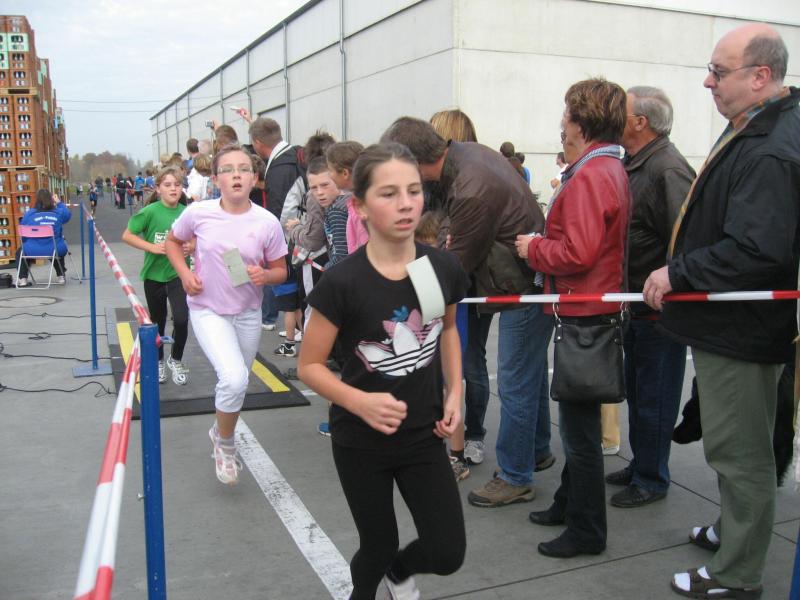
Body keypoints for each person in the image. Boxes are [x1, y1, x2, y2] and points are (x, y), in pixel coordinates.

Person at [642, 24, 799, 599]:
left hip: (743, 329)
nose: (708, 82)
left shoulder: (771, 147)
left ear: (761, 77)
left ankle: (737, 575)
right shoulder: (759, 126)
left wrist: (677, 272)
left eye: (719, 71)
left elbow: (757, 249)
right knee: (737, 445)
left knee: (741, 455)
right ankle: (732, 534)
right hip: (734, 326)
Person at [298, 142, 467, 600]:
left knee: (447, 552)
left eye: (413, 190)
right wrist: (359, 401)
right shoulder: (342, 282)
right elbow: (309, 365)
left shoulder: (440, 267)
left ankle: (400, 572)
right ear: (360, 207)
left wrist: (455, 392)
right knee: (377, 545)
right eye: (389, 194)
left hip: (423, 434)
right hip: (361, 441)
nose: (406, 203)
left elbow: (448, 329)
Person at [382, 117, 553, 509]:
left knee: (514, 381)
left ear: (415, 161)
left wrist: (402, 299)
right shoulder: (464, 157)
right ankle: (536, 449)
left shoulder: (471, 185)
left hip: (518, 285)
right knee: (525, 376)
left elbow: (454, 267)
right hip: (513, 279)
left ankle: (515, 476)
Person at [517, 77, 630, 558]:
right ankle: (568, 504)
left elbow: (577, 253)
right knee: (579, 424)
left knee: (580, 433)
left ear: (580, 123)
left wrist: (533, 248)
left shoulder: (590, 174)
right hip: (591, 310)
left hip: (585, 313)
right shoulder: (607, 167)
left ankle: (587, 530)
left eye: (566, 115)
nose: (562, 125)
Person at [166, 144, 288, 485]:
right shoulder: (198, 213)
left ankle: (218, 431)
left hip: (248, 312)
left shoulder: (267, 222)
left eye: (244, 169)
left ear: (254, 178)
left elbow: (281, 270)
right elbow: (173, 243)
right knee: (233, 378)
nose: (236, 175)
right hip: (208, 309)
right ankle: (226, 444)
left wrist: (266, 275)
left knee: (239, 383)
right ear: (216, 178)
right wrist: (184, 274)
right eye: (228, 170)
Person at [603, 85, 696, 509]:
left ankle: (652, 478)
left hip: (658, 312)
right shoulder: (639, 163)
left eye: (620, 112)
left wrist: (669, 279)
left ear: (640, 122)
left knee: (654, 399)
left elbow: (688, 239)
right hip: (637, 306)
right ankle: (642, 465)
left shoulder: (666, 169)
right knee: (641, 395)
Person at [122, 166, 192, 385]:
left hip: (178, 274)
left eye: (177, 185)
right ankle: (159, 361)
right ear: (158, 188)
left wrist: (191, 246)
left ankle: (175, 359)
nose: (173, 189)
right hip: (154, 275)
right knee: (157, 321)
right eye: (167, 185)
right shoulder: (150, 211)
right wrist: (152, 247)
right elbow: (128, 235)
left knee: (181, 319)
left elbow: (198, 236)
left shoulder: (187, 213)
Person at [248, 116, 306, 332]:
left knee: (294, 298)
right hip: (305, 238)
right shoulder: (295, 156)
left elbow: (280, 213)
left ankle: (299, 334)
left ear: (257, 142)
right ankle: (298, 332)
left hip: (295, 243)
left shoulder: (280, 167)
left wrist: (273, 245)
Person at [15, 188, 72, 287]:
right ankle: (61, 276)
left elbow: (23, 229)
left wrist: (26, 244)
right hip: (54, 248)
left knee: (20, 252)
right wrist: (59, 202)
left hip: (32, 249)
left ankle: (22, 279)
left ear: (37, 199)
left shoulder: (30, 214)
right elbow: (67, 215)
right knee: (57, 246)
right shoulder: (58, 213)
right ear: (51, 199)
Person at [325, 141, 367, 253]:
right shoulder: (358, 201)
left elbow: (364, 250)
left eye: (330, 170)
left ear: (345, 173)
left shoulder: (362, 208)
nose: (329, 175)